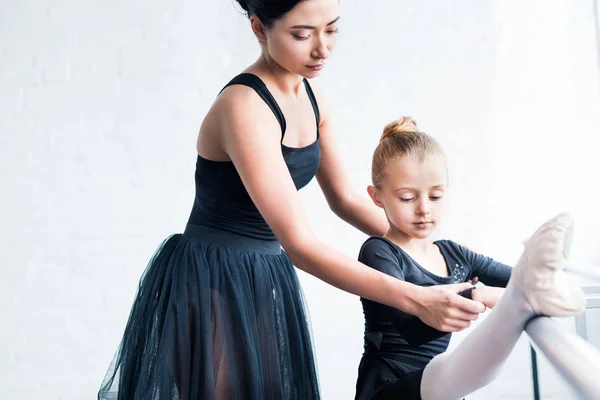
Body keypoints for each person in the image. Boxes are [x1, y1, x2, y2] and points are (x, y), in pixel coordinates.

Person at [98, 2, 488, 399]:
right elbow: (300, 244)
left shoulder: (311, 94)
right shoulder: (244, 106)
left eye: (331, 30)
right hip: (212, 277)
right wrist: (417, 296)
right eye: (302, 35)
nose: (322, 48)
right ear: (258, 28)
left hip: (265, 274)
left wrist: (424, 253)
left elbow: (345, 200)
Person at [354, 117, 586, 400]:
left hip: (443, 385)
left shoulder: (454, 254)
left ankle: (529, 297)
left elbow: (517, 276)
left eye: (436, 195)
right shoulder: (379, 251)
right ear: (377, 197)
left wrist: (531, 282)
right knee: (442, 374)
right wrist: (476, 294)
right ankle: (519, 303)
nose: (424, 209)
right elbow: (412, 330)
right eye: (407, 198)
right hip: (390, 385)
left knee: (528, 285)